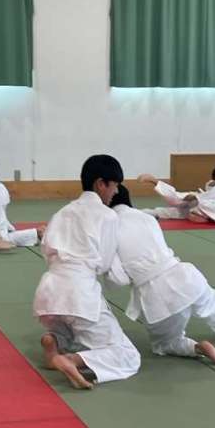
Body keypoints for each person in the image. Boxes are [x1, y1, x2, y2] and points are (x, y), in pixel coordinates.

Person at [107, 184, 215, 363]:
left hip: (155, 294)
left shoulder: (108, 228)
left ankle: (197, 348)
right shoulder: (147, 218)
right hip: (183, 274)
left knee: (165, 344)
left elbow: (118, 279)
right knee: (214, 302)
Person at [33, 155, 141, 389]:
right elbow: (104, 263)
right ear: (101, 184)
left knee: (70, 329)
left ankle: (54, 339)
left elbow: (46, 251)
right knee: (127, 355)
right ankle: (70, 360)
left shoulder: (61, 212)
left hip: (49, 291)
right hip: (79, 292)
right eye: (114, 186)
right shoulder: (107, 215)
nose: (115, 192)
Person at [139, 164, 215, 226]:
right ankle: (153, 181)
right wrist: (197, 197)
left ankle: (144, 212)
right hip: (204, 203)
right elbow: (212, 192)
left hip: (207, 206)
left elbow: (213, 194)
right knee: (178, 199)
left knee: (173, 211)